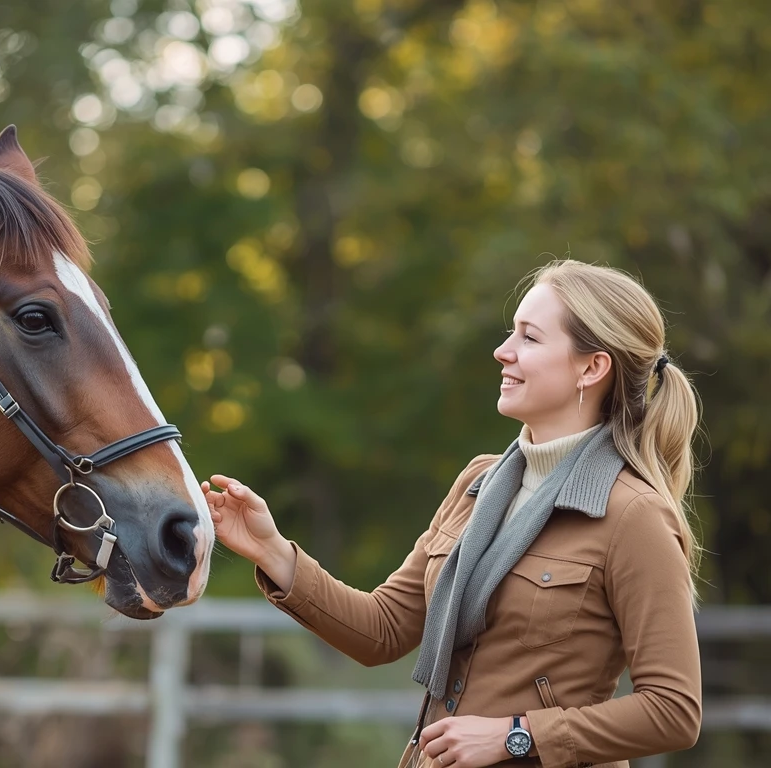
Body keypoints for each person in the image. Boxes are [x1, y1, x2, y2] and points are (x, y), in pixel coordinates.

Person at [202, 260, 702, 768]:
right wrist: (271, 549)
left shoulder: (634, 515)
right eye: (512, 333)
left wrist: (516, 735)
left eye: (529, 338)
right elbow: (383, 629)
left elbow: (674, 711)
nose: (502, 351)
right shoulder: (477, 484)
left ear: (591, 368)